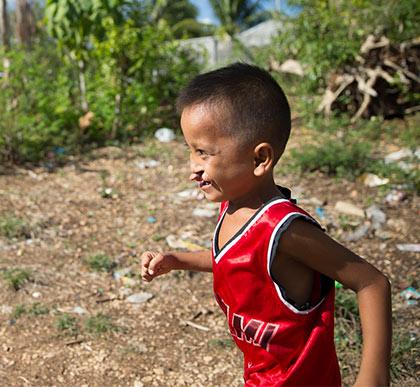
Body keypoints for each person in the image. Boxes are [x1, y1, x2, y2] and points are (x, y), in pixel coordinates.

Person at [140, 63, 392, 386]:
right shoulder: (233, 205)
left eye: (203, 153)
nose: (193, 168)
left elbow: (371, 282)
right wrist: (176, 260)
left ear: (259, 159)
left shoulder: (285, 230)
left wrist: (373, 376)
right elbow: (236, 262)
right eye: (190, 150)